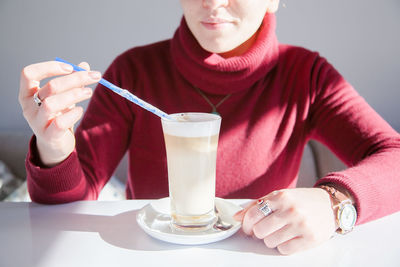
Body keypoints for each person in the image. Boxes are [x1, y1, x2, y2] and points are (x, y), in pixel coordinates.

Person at [18, 0, 400, 255]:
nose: (213, 3)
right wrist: (54, 148)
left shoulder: (308, 76)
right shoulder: (133, 71)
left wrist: (335, 203)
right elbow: (65, 213)